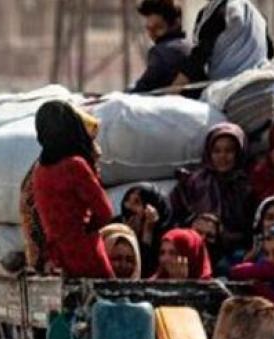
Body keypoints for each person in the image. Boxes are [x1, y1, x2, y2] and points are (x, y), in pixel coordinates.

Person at [27, 100, 115, 278]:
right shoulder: (75, 165)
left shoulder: (39, 172)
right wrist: (87, 229)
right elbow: (105, 211)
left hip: (57, 258)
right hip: (85, 254)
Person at [169, 122, 254, 258]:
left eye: (229, 151)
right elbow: (177, 216)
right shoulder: (194, 182)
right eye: (217, 151)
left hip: (232, 253)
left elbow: (249, 229)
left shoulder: (246, 187)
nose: (222, 156)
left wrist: (222, 234)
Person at [175, 0, 274, 87]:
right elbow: (270, 52)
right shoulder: (256, 13)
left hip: (228, 89)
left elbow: (199, 56)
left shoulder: (216, 10)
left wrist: (174, 88)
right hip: (260, 83)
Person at [129, 0, 194, 93]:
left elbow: (143, 88)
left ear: (175, 24)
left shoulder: (161, 52)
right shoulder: (192, 46)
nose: (152, 35)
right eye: (149, 29)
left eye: (158, 28)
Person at [114, 183, 172, 278]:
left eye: (136, 202)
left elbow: (146, 271)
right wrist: (127, 235)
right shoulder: (115, 225)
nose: (128, 206)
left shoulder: (165, 238)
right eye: (127, 200)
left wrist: (148, 231)